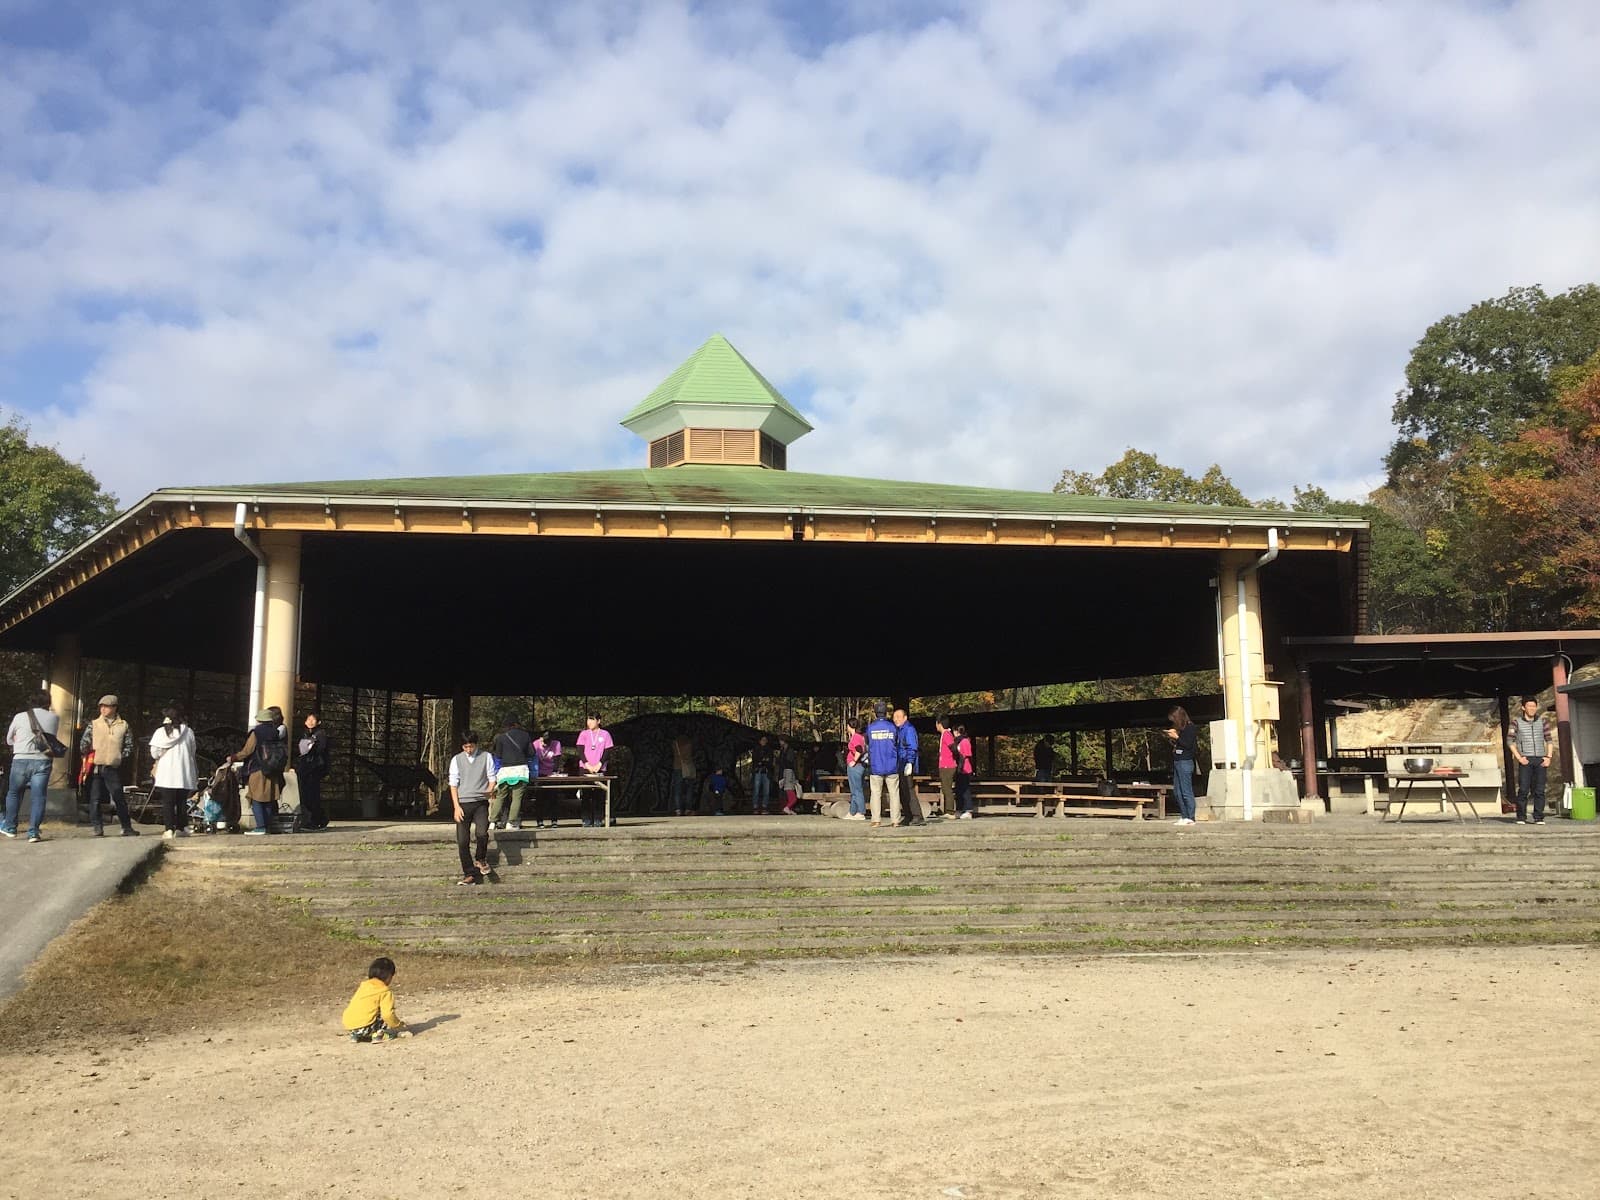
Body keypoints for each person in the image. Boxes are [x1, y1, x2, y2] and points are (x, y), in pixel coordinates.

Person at [4, 690, 60, 842]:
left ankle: (10, 827)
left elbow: (9, 739)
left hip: (21, 759)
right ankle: (33, 832)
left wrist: (19, 740)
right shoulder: (55, 718)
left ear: (31, 701)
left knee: (14, 793)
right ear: (48, 702)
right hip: (43, 760)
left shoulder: (20, 717)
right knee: (39, 797)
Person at [79, 693, 138, 837]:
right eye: (101, 706)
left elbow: (129, 745)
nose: (103, 709)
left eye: (106, 706)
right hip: (96, 766)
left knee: (118, 797)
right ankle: (97, 827)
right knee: (95, 798)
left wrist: (119, 757)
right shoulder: (93, 724)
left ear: (114, 708)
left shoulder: (123, 725)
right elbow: (83, 744)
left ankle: (126, 827)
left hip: (112, 766)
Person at [227, 708, 286, 835]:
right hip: (273, 769)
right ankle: (268, 826)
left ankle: (260, 827)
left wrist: (233, 757)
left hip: (258, 768)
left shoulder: (256, 732)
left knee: (256, 798)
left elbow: (247, 751)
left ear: (260, 719)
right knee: (269, 798)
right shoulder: (275, 732)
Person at [449, 730, 493, 883]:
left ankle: (480, 858)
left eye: (471, 746)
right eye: (466, 747)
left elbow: (492, 777)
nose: (469, 750)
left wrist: (490, 789)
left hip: (480, 802)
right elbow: (453, 784)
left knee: (482, 833)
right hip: (463, 803)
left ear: (476, 745)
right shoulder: (457, 760)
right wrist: (456, 806)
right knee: (462, 840)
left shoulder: (486, 757)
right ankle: (469, 873)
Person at [148, 704, 198, 838]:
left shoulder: (160, 732)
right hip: (184, 772)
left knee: (168, 802)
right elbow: (193, 752)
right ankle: (182, 828)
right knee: (181, 801)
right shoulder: (189, 732)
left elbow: (155, 753)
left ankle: (169, 829)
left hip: (167, 773)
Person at [1508, 697, 1554, 825]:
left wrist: (1549, 757)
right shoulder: (1516, 723)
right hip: (1525, 759)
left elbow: (1549, 740)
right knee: (1523, 789)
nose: (1532, 709)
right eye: (1529, 706)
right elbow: (1510, 741)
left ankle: (1538, 817)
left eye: (1534, 706)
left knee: (1540, 789)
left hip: (1540, 759)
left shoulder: (1542, 722)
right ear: (1523, 707)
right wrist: (1519, 757)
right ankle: (1521, 817)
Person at [341, 956, 409, 1043]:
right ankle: (378, 1035)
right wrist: (399, 1025)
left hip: (350, 1025)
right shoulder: (384, 991)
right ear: (389, 976)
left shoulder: (364, 986)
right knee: (384, 1013)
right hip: (366, 1027)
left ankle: (356, 1036)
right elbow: (388, 1015)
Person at [490, 715, 533, 832]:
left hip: (505, 770)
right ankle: (511, 822)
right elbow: (531, 753)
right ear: (516, 724)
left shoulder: (500, 738)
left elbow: (497, 756)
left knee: (500, 797)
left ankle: (492, 821)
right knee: (516, 798)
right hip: (520, 770)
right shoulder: (525, 735)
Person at [865, 702, 900, 829]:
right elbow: (897, 742)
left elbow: (867, 743)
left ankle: (876, 820)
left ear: (875, 713)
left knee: (875, 793)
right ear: (886, 713)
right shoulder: (892, 727)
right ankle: (895, 820)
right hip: (891, 765)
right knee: (894, 794)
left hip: (876, 765)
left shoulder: (870, 728)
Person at [575, 713, 613, 828]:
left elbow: (608, 750)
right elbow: (580, 750)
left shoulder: (605, 734)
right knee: (586, 794)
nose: (589, 722)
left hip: (600, 768)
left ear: (598, 721)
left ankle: (598, 818)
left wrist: (600, 764)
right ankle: (586, 819)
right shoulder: (584, 734)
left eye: (592, 720)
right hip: (585, 768)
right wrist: (587, 764)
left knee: (599, 794)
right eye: (588, 720)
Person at [295, 711, 332, 831]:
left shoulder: (321, 735)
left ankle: (317, 820)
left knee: (312, 795)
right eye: (308, 719)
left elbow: (320, 750)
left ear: (318, 722)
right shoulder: (304, 734)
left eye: (313, 719)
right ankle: (313, 819)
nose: (310, 722)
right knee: (306, 795)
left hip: (314, 769)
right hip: (305, 768)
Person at [1164, 706, 1199, 826]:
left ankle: (1191, 816)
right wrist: (1172, 738)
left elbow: (1188, 745)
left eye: (1174, 719)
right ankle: (1184, 815)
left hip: (1185, 761)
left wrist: (1177, 737)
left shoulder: (1191, 728)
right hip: (1177, 761)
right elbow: (1180, 744)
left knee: (1186, 791)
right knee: (1177, 791)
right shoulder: (1180, 729)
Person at [893, 707, 926, 826]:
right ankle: (908, 815)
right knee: (903, 791)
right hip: (900, 764)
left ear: (905, 718)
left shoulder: (908, 729)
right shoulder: (899, 730)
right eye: (894, 717)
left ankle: (917, 815)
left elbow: (912, 747)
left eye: (898, 717)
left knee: (909, 790)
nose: (896, 719)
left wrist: (910, 762)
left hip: (906, 763)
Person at [531, 729, 563, 827]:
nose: (546, 744)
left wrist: (554, 772)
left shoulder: (556, 744)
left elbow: (557, 760)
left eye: (548, 742)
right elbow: (533, 760)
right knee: (539, 798)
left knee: (553, 797)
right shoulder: (535, 744)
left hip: (551, 773)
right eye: (544, 742)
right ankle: (539, 821)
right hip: (539, 773)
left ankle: (554, 820)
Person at [844, 716, 868, 821]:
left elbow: (859, 749)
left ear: (850, 726)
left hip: (856, 767)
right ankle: (852, 812)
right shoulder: (859, 736)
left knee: (857, 790)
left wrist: (854, 760)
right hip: (857, 766)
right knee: (854, 790)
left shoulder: (856, 737)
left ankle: (861, 812)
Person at [671, 732, 698, 816]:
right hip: (688, 767)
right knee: (690, 789)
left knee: (677, 790)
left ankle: (678, 809)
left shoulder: (674, 743)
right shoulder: (690, 744)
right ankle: (688, 809)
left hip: (677, 767)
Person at [935, 715, 957, 820]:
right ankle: (948, 810)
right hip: (944, 764)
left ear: (939, 724)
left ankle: (950, 811)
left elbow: (953, 747)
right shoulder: (945, 734)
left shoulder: (947, 734)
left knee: (947, 788)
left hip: (947, 765)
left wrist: (954, 757)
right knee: (945, 788)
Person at [954, 724, 977, 818]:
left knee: (965, 789)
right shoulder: (957, 742)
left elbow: (967, 756)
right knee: (959, 790)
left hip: (965, 768)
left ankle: (968, 810)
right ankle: (960, 808)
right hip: (959, 768)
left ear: (957, 731)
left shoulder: (965, 741)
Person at [749, 735, 774, 815]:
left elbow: (770, 760)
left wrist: (763, 761)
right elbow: (756, 760)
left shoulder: (769, 749)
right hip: (758, 771)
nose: (764, 741)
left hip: (766, 771)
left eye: (765, 740)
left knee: (766, 790)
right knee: (756, 789)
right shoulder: (756, 749)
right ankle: (755, 806)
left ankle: (764, 806)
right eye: (762, 740)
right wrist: (762, 761)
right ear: (759, 741)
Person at [778, 738, 801, 814]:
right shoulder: (783, 751)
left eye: (781, 740)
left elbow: (790, 763)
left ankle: (788, 808)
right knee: (793, 797)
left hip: (788, 772)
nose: (780, 742)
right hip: (787, 773)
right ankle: (787, 807)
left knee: (791, 795)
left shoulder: (789, 751)